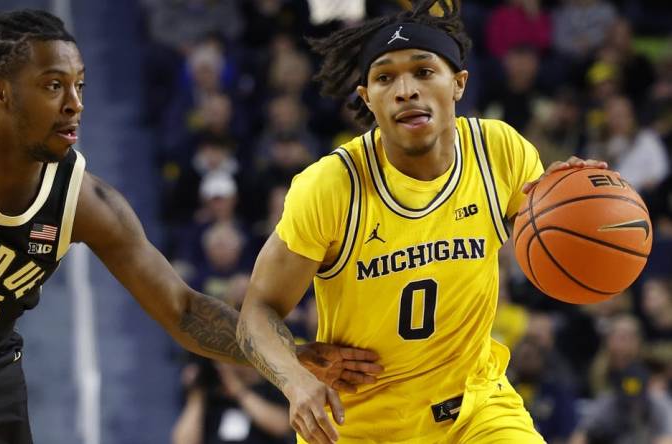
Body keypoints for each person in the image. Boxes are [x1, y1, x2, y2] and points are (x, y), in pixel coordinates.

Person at [0, 2, 383, 444]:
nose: (74, 103)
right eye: (53, 86)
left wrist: (288, 356)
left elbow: (183, 311)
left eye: (79, 85)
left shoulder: (85, 202)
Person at [236, 1, 607, 443]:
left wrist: (579, 204)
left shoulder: (499, 151)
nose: (406, 90)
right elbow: (257, 312)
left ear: (458, 84)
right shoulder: (331, 186)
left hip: (476, 409)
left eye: (424, 72)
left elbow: (552, 234)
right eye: (385, 77)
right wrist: (294, 380)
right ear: (366, 98)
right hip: (358, 425)